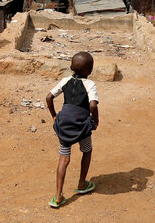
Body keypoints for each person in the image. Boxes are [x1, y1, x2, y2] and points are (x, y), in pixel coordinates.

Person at [46, 52, 99, 208]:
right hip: (81, 124)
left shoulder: (65, 80)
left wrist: (54, 116)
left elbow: (49, 97)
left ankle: (58, 196)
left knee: (64, 158)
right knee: (87, 150)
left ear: (70, 67)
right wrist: (95, 121)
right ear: (90, 70)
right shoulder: (90, 84)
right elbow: (93, 105)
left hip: (64, 124)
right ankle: (82, 183)